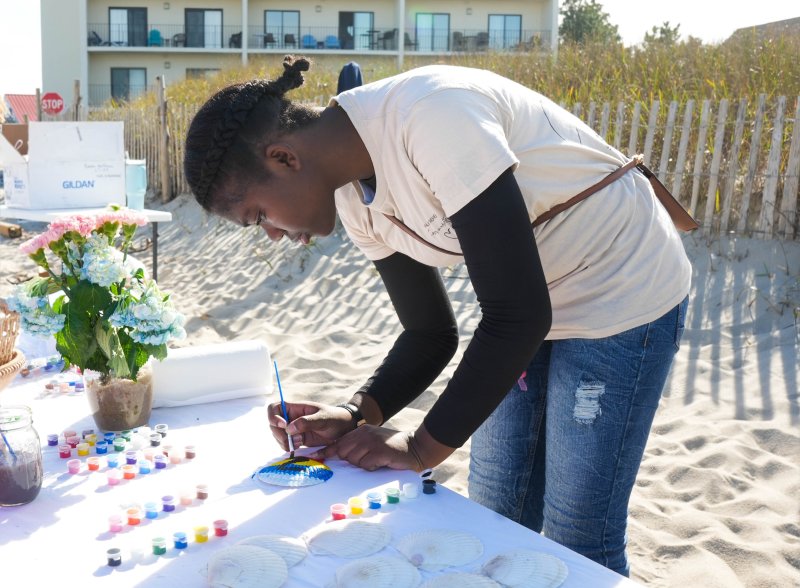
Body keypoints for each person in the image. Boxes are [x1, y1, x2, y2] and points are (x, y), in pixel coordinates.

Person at [183, 55, 691, 576]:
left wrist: (420, 448)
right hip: (532, 302)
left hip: (621, 288)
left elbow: (516, 315)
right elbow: (430, 333)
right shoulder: (354, 198)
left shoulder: (433, 117)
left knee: (577, 533)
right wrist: (357, 413)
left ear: (284, 158)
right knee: (496, 510)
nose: (271, 233)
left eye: (259, 215)